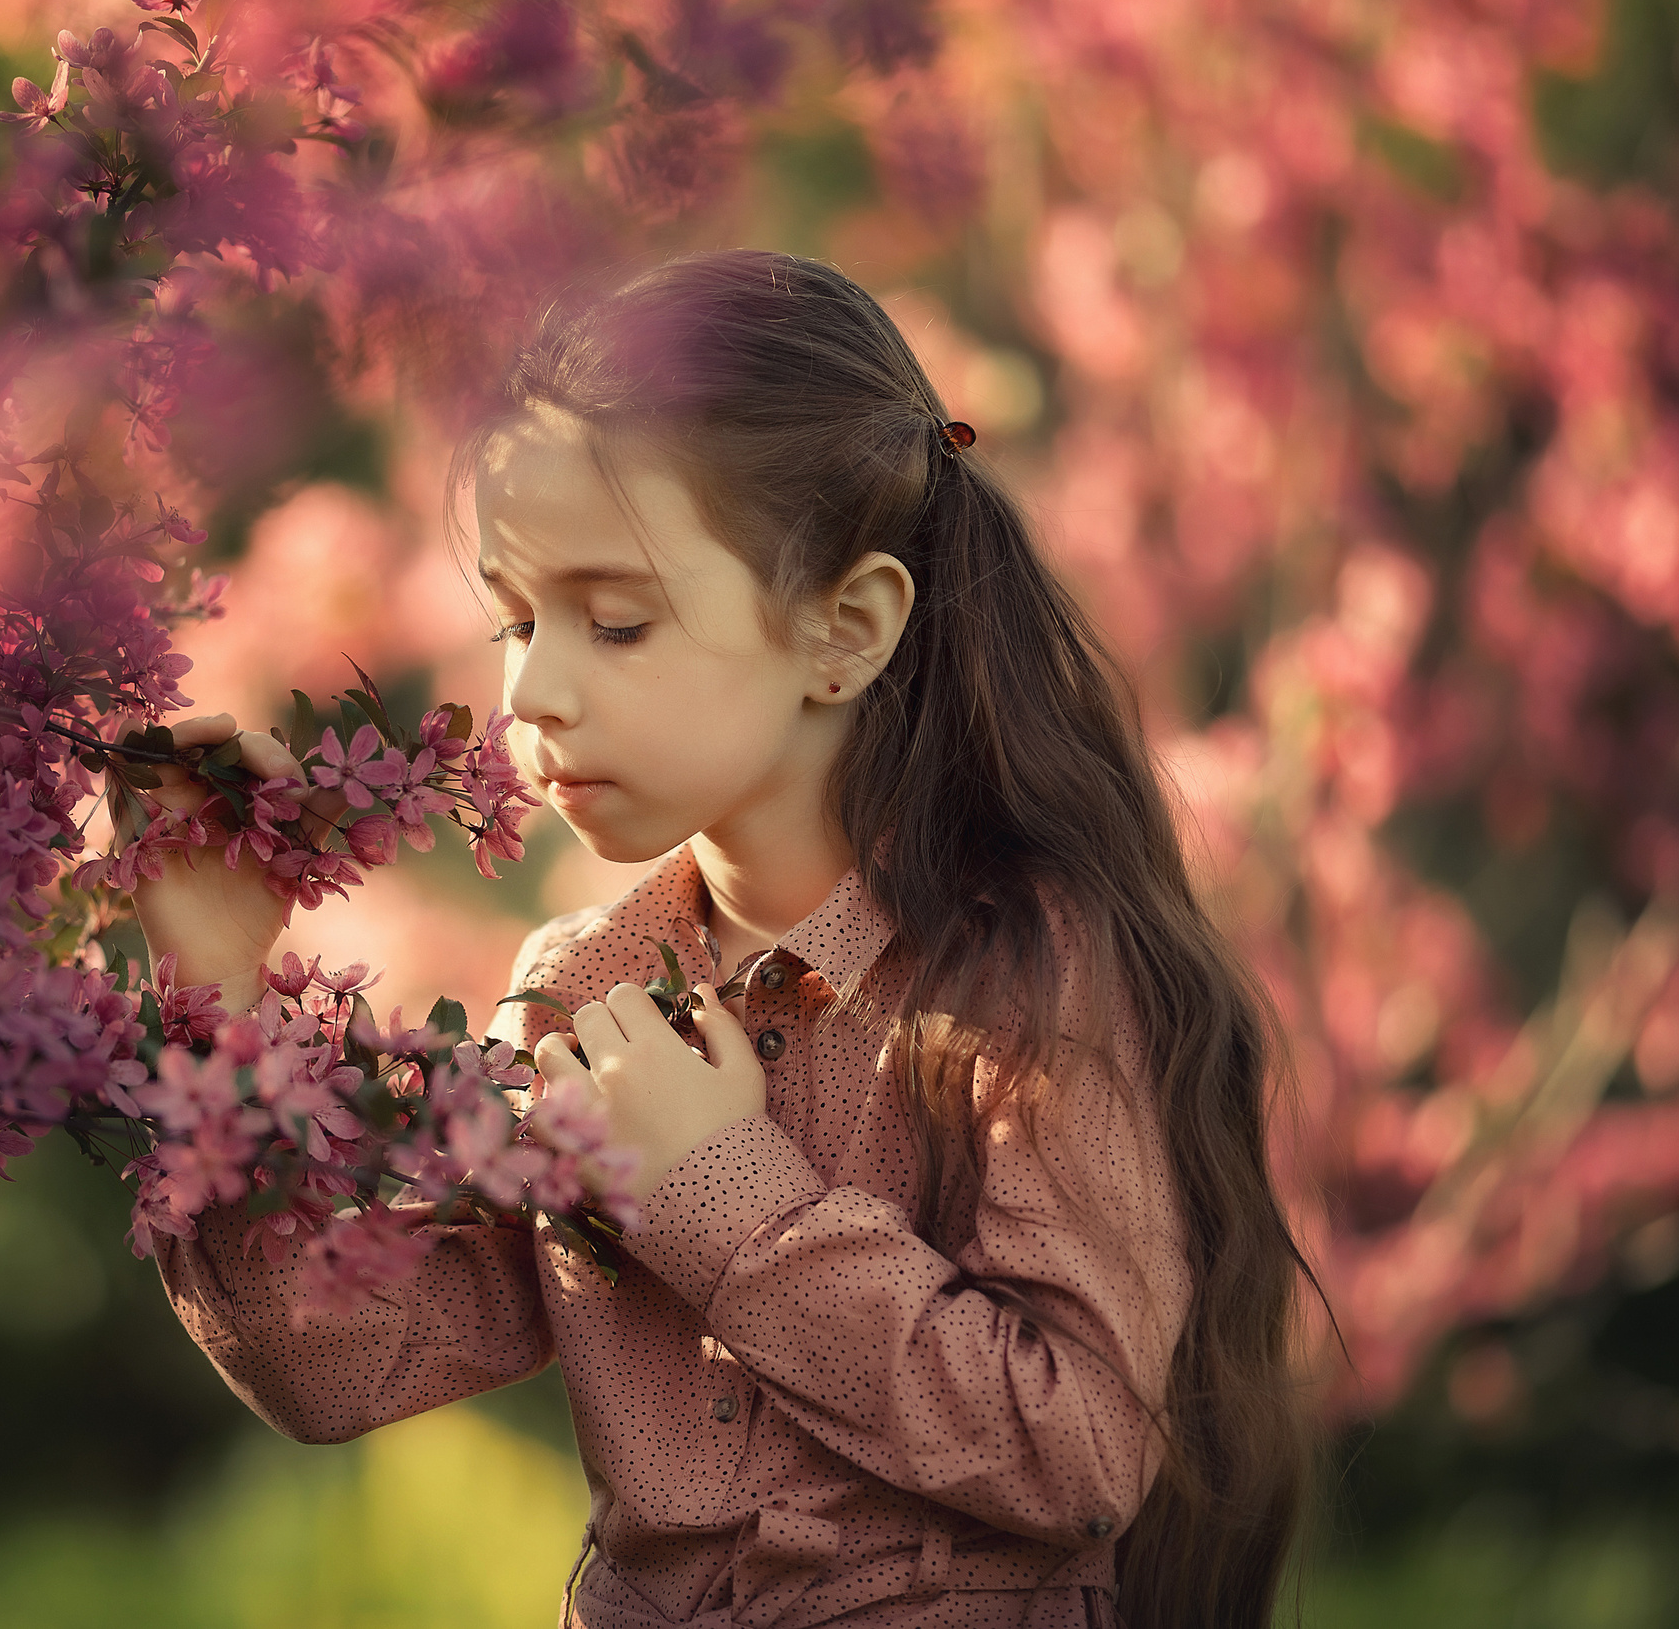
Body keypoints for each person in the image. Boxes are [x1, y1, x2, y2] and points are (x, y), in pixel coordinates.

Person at [127, 250, 1315, 1629]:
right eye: (515, 616)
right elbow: (334, 1369)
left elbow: (1082, 1452)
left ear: (844, 631)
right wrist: (217, 991)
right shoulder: (583, 993)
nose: (529, 689)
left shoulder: (1025, 983)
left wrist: (712, 1188)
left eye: (614, 620)